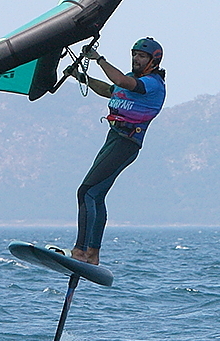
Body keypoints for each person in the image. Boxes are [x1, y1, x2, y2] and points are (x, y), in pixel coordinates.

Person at [65, 38, 166, 265]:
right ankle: (92, 254)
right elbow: (111, 89)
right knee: (97, 196)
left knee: (85, 192)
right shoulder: (131, 80)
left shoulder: (152, 84)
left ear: (153, 60)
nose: (135, 59)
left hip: (126, 143)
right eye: (134, 54)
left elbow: (119, 80)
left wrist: (98, 59)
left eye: (141, 56)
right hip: (113, 138)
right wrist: (81, 77)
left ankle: (80, 251)